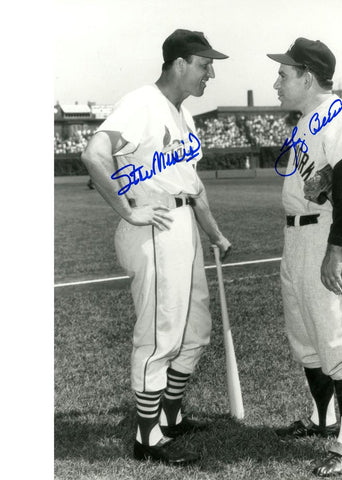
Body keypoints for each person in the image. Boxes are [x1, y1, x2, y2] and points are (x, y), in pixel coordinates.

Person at [81, 29, 231, 466]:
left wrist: (215, 234)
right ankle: (147, 440)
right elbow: (94, 155)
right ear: (180, 63)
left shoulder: (183, 115)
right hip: (154, 225)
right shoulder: (142, 102)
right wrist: (128, 211)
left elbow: (193, 185)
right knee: (159, 336)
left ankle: (170, 416)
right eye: (204, 64)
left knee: (195, 330)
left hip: (180, 224)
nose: (211, 73)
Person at [267, 38, 342, 477]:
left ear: (308, 76)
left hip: (327, 240)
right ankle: (323, 417)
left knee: (338, 342)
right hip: (298, 239)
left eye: (284, 74)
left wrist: (337, 250)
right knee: (308, 339)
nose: (277, 82)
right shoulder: (306, 123)